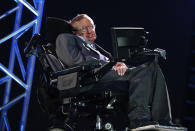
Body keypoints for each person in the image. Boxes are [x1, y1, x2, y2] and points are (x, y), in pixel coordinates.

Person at [54, 14, 173, 130]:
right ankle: (139, 120)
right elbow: (73, 61)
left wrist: (118, 64)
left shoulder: (95, 47)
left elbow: (111, 62)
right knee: (142, 72)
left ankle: (163, 120)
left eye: (91, 26)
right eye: (84, 28)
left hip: (107, 74)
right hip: (89, 78)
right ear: (75, 32)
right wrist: (109, 65)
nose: (90, 31)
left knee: (153, 68)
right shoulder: (66, 38)